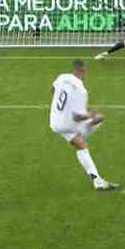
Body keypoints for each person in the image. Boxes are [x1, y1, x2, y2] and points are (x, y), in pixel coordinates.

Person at [50, 60, 119, 190]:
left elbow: (53, 90)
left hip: (54, 121)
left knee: (81, 145)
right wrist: (91, 115)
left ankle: (97, 180)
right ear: (83, 71)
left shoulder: (62, 77)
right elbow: (77, 117)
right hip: (68, 124)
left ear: (73, 69)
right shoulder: (81, 91)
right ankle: (83, 133)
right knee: (100, 118)